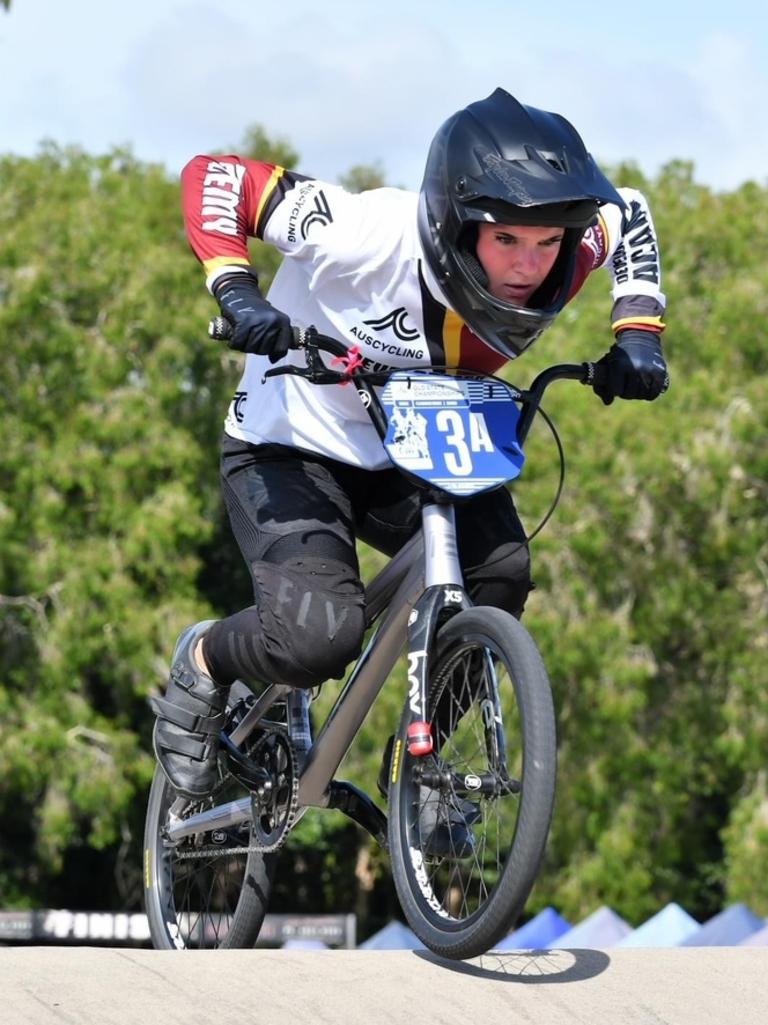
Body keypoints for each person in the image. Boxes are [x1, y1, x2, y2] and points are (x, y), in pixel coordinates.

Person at [152, 88, 668, 841]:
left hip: (418, 440)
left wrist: (639, 330)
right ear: (457, 224)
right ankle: (204, 655)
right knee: (320, 639)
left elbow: (630, 209)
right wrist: (235, 288)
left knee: (501, 571)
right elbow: (215, 177)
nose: (530, 265)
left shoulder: (572, 241)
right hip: (292, 440)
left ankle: (424, 772)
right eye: (507, 241)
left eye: (546, 243)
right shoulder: (364, 231)